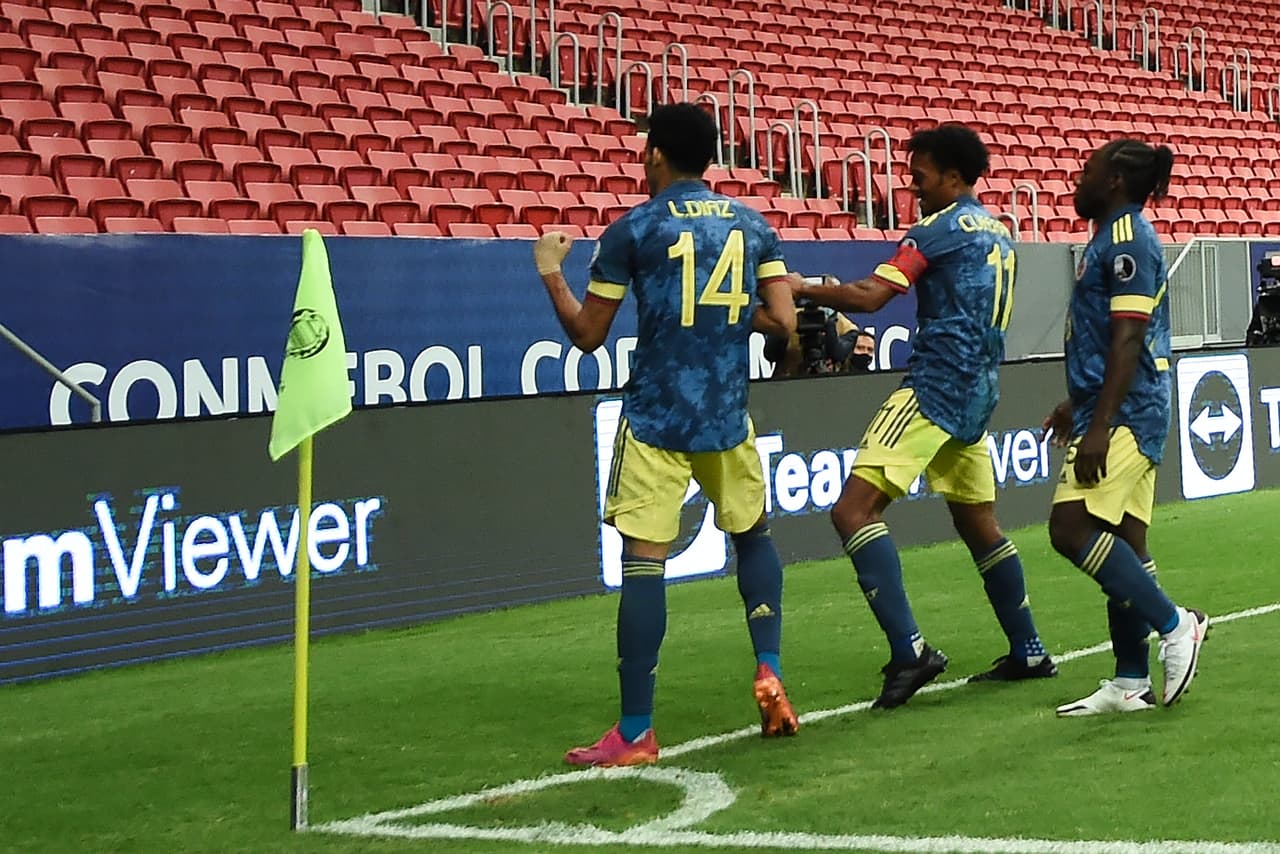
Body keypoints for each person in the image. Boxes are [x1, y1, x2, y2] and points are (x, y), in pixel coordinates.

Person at [532, 102, 801, 767]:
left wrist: (548, 272)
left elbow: (588, 336)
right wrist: (736, 314)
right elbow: (784, 321)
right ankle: (769, 671)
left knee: (645, 563)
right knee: (754, 536)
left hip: (657, 416)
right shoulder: (751, 224)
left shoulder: (633, 230)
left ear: (653, 155)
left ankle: (635, 731)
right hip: (726, 412)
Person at [788, 123, 1056, 709]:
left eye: (922, 177)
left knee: (852, 511)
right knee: (978, 523)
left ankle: (910, 652)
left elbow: (870, 298)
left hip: (934, 386)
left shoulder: (935, 232)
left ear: (954, 177)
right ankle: (1029, 648)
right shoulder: (1000, 231)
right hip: (981, 388)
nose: (915, 189)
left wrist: (801, 286)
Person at [1045, 139, 1207, 717]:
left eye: (1087, 170)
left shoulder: (1128, 239)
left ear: (1114, 181)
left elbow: (1129, 336)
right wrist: (1077, 403)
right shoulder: (1105, 238)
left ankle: (1175, 624)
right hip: (1114, 404)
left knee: (1070, 529)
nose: (1078, 177)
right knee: (1126, 543)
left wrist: (1100, 423)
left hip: (1129, 411)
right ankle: (1129, 680)